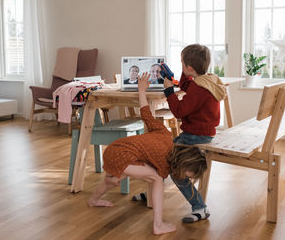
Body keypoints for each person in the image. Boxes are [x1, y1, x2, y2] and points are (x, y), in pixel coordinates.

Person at [88, 72, 208, 235]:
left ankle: (94, 200)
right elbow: (155, 176)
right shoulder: (165, 167)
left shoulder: (165, 134)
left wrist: (142, 91)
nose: (186, 178)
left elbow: (146, 114)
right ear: (183, 163)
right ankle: (158, 225)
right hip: (121, 154)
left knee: (113, 180)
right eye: (188, 175)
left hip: (114, 149)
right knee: (157, 179)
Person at [163, 44, 227, 223]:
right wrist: (176, 75)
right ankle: (154, 187)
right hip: (204, 133)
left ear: (190, 68)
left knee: (175, 169)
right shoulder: (208, 80)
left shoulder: (199, 89)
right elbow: (186, 85)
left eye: (182, 63)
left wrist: (169, 91)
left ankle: (200, 207)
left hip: (194, 136)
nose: (181, 65)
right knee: (164, 150)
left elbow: (179, 111)